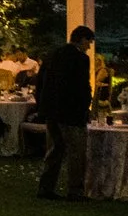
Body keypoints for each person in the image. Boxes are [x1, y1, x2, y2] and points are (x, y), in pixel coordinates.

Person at [35, 25, 94, 200]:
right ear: (82, 39)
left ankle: (46, 187)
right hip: (71, 112)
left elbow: (40, 82)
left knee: (54, 149)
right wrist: (85, 107)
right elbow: (82, 86)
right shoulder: (80, 59)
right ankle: (75, 190)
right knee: (76, 152)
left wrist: (42, 105)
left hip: (51, 110)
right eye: (89, 42)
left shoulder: (52, 55)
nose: (89, 46)